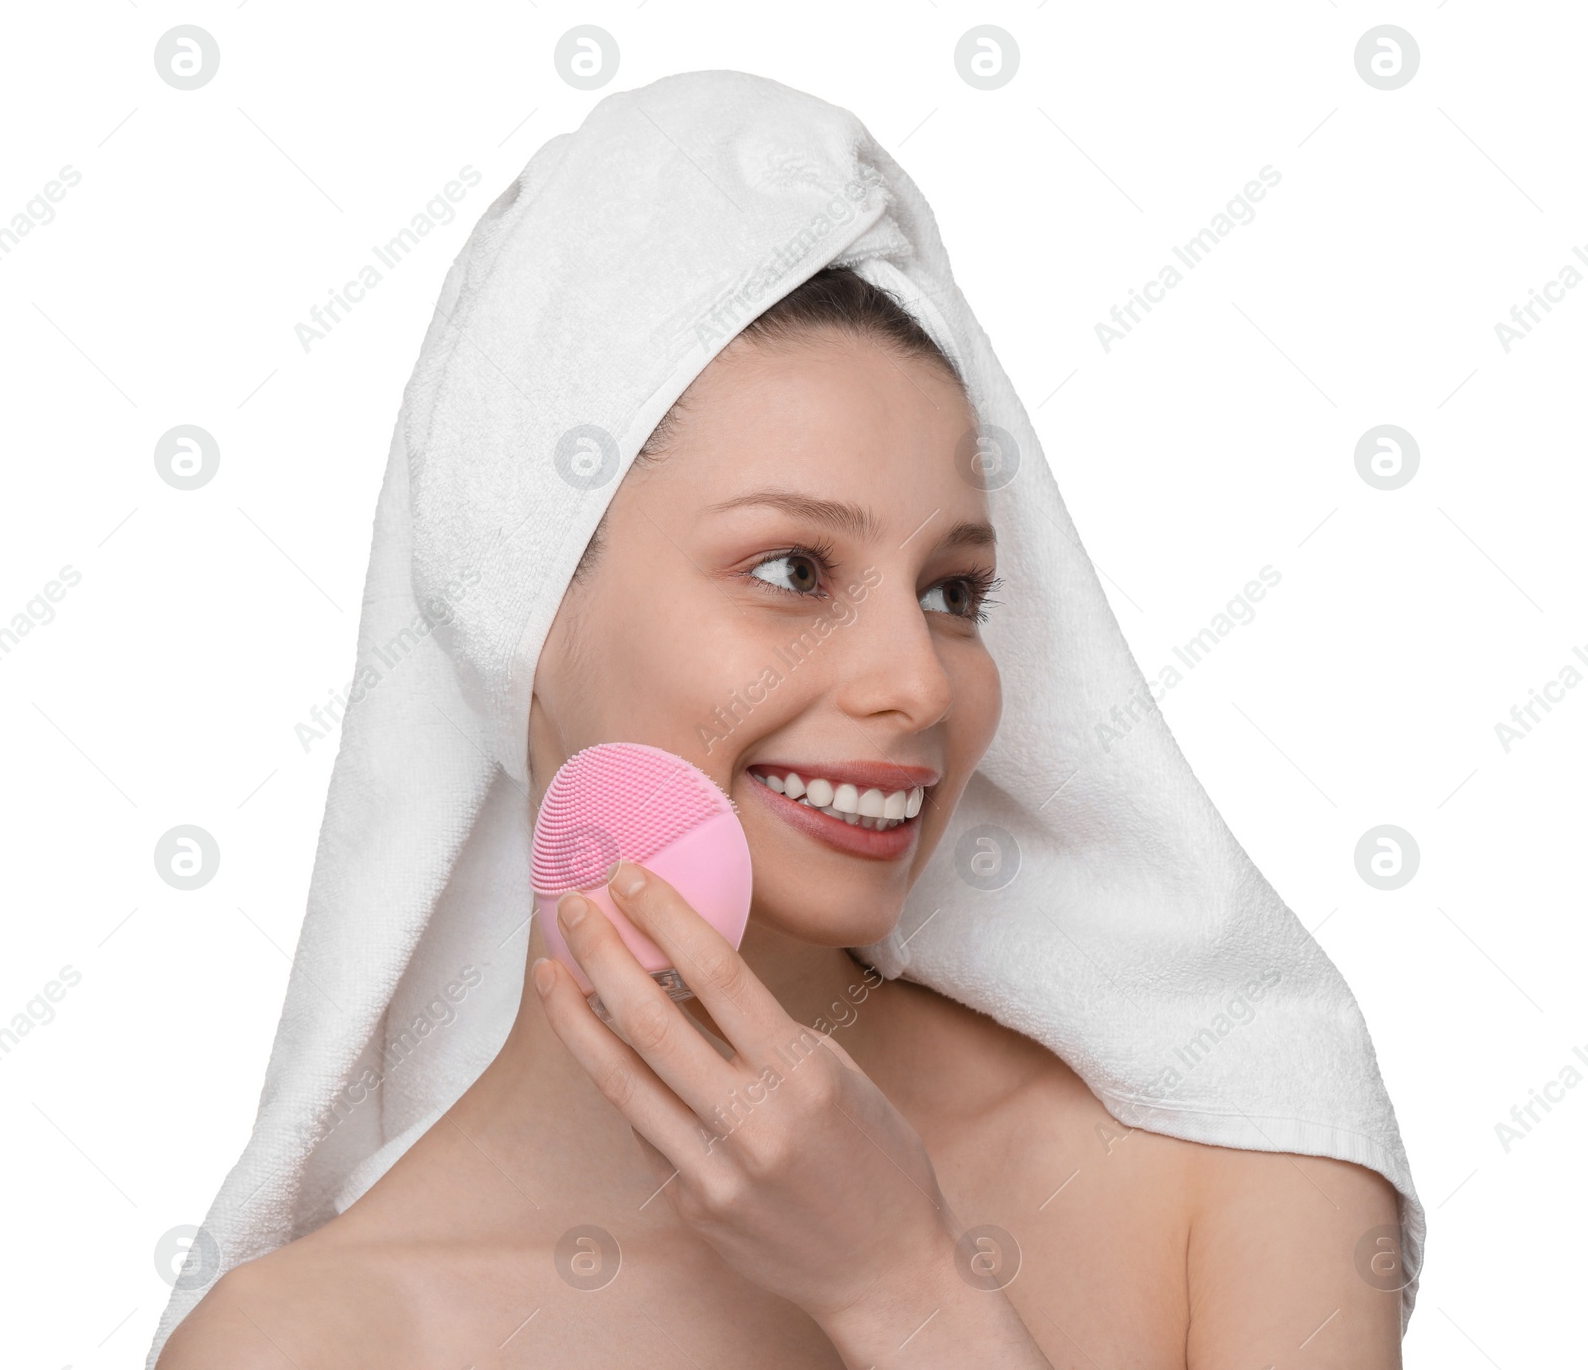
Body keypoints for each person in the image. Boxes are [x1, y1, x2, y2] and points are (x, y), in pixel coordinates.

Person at [157, 267, 1403, 1368]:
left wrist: (908, 1291)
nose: (917, 682)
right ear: (519, 608)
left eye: (953, 590)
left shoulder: (1231, 1150)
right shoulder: (312, 1341)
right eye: (791, 569)